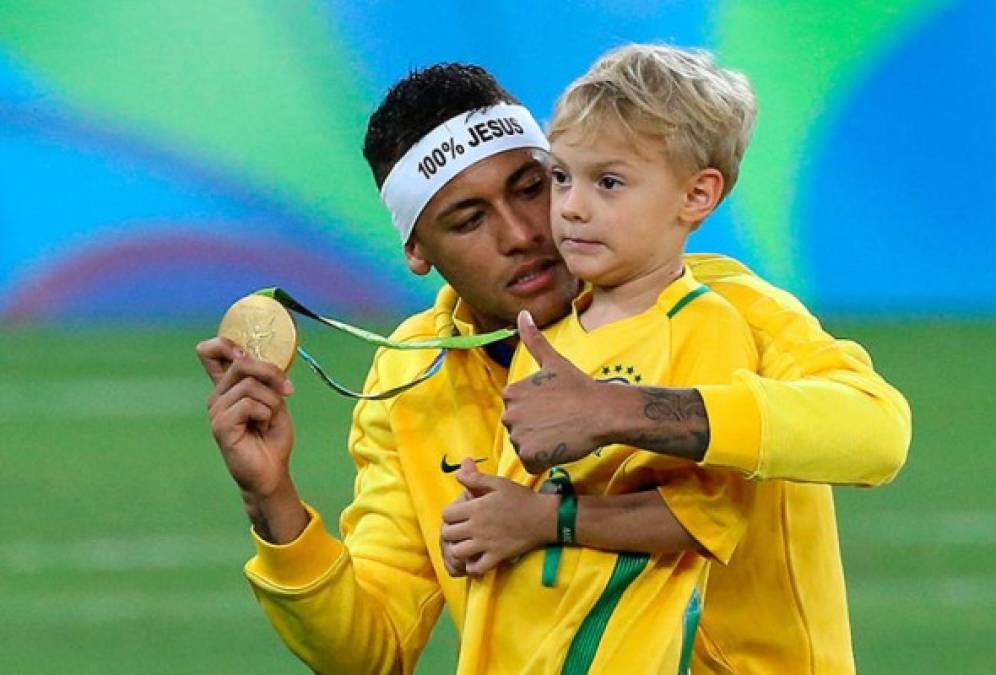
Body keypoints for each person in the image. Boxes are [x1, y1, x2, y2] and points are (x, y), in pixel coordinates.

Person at [196, 62, 910, 674]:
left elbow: (877, 433)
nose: (525, 234)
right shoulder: (409, 381)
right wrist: (272, 500)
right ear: (418, 250)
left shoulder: (712, 305)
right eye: (469, 219)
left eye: (533, 186)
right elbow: (370, 650)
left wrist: (624, 411)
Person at [453, 43, 762, 674]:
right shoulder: (555, 330)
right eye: (561, 177)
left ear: (697, 196)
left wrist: (544, 519)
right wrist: (483, 523)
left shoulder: (703, 328)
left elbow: (707, 520)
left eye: (609, 182)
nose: (570, 207)